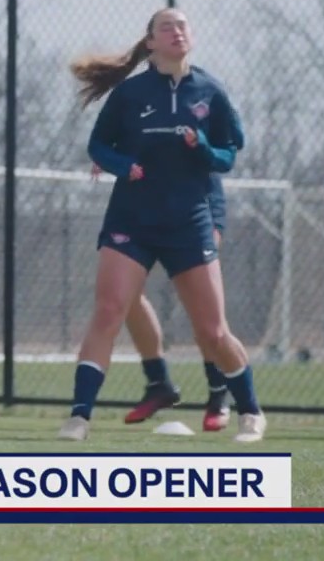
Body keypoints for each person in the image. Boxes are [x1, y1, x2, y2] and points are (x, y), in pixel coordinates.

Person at [59, 7, 265, 443]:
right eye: (166, 26)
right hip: (131, 219)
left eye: (183, 24)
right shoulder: (130, 94)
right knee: (109, 310)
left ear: (191, 36)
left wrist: (204, 146)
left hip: (188, 221)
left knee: (212, 331)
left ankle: (250, 412)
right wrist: (122, 165)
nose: (177, 31)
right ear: (150, 42)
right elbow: (99, 144)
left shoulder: (211, 90)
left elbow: (229, 153)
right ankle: (78, 417)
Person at [93, 163, 233, 432]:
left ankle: (218, 394)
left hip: (191, 222)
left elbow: (210, 165)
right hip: (142, 222)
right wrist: (107, 153)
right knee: (123, 297)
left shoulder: (191, 123)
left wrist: (215, 221)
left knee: (203, 314)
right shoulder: (136, 123)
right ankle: (158, 383)